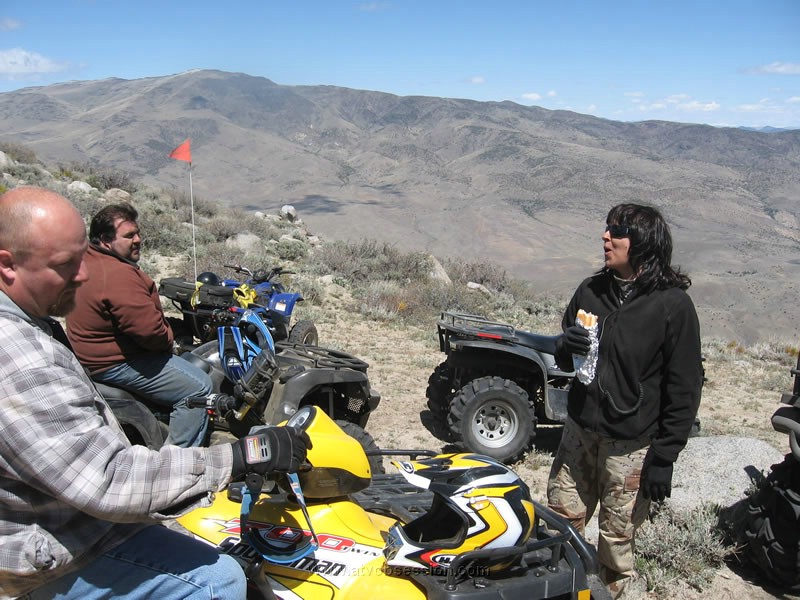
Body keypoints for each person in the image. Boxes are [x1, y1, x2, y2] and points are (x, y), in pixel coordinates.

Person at [0, 186, 310, 599]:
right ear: (7, 266)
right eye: (65, 264)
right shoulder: (21, 358)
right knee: (219, 580)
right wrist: (240, 456)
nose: (83, 274)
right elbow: (108, 480)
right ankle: (181, 449)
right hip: (47, 551)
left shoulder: (33, 316)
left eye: (80, 258)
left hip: (45, 509)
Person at [546, 203, 703, 599]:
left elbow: (684, 388)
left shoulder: (672, 306)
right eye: (607, 228)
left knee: (616, 545)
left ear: (643, 244)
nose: (606, 237)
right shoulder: (591, 290)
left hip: (630, 450)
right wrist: (565, 345)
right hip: (579, 434)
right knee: (560, 525)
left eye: (616, 231)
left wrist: (664, 457)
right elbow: (567, 356)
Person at [66, 203, 210, 447]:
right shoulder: (117, 275)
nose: (138, 240)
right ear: (105, 240)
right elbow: (151, 334)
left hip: (91, 354)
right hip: (114, 362)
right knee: (198, 388)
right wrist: (171, 338)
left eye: (138, 233)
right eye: (129, 236)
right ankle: (178, 464)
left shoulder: (88, 259)